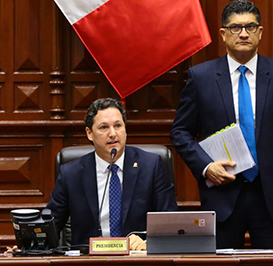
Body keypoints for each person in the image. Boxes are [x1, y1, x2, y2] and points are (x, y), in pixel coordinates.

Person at [170, 0, 273, 249]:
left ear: (260, 33)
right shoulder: (201, 77)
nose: (243, 33)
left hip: (271, 194)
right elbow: (180, 132)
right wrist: (206, 166)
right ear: (223, 34)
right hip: (222, 193)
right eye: (235, 28)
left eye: (250, 27)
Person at [48, 98, 178, 250]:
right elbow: (51, 224)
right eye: (104, 127)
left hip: (137, 261)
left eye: (118, 126)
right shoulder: (71, 173)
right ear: (89, 133)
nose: (113, 134)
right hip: (88, 264)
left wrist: (147, 242)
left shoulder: (151, 166)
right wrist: (29, 244)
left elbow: (170, 222)